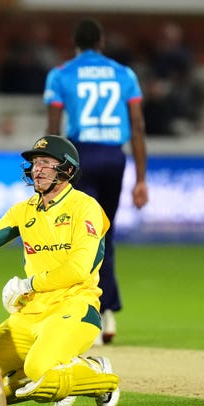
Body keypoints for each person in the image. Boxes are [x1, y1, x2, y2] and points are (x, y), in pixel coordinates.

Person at [0, 135, 120, 406]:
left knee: (39, 367)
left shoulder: (85, 207)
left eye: (45, 163)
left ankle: (96, 372)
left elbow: (78, 269)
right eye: (34, 163)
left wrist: (29, 284)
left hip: (75, 307)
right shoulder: (24, 210)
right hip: (30, 314)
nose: (36, 169)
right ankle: (52, 376)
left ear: (67, 169)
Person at [43, 18, 148, 345]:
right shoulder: (124, 74)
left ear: (75, 43)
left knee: (79, 235)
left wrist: (49, 170)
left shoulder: (61, 74)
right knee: (105, 231)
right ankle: (107, 312)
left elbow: (53, 128)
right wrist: (141, 179)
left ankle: (85, 313)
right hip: (115, 158)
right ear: (101, 42)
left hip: (80, 157)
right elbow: (138, 126)